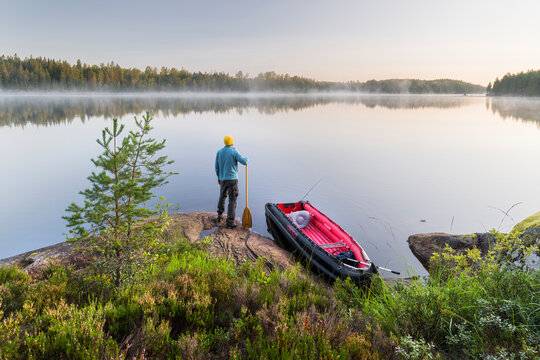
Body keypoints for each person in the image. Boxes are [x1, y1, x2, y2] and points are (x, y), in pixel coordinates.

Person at [215, 135, 248, 229]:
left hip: (223, 179)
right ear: (232, 142)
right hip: (233, 180)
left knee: (222, 196)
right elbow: (244, 162)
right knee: (232, 199)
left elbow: (216, 166)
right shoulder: (234, 151)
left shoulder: (219, 152)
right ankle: (230, 221)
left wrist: (219, 177)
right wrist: (247, 159)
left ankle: (219, 215)